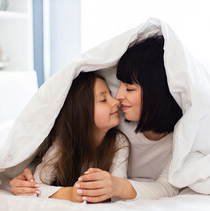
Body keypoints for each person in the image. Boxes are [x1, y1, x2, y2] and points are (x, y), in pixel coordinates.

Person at [10, 35, 182, 202]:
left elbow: (168, 187)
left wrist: (118, 186)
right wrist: (27, 180)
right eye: (119, 85)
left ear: (157, 94)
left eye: (129, 89)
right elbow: (44, 158)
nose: (118, 97)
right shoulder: (115, 118)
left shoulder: (177, 138)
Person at [9, 71, 130, 203]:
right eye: (103, 99)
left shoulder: (119, 142)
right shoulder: (62, 145)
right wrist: (70, 194)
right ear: (82, 114)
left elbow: (117, 192)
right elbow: (37, 186)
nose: (115, 101)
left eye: (110, 95)